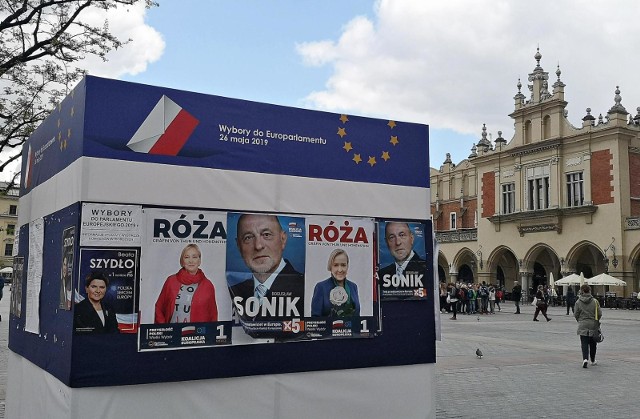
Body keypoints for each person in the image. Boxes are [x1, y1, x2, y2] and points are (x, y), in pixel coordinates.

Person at [230, 214, 304, 320]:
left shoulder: (306, 288)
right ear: (239, 246)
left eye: (266, 235)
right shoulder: (233, 292)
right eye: (248, 237)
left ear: (283, 239)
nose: (258, 246)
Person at [155, 243, 218, 323]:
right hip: (173, 333)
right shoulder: (171, 281)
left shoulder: (208, 286)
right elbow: (159, 308)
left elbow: (213, 315)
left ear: (199, 261)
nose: (191, 261)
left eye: (194, 257)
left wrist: (211, 333)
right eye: (187, 257)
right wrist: (164, 330)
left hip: (198, 334)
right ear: (182, 261)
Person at [311, 249, 360, 317]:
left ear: (347, 266)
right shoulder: (321, 287)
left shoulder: (353, 287)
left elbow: (357, 316)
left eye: (343, 265)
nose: (340, 270)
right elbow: (315, 320)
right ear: (330, 267)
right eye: (336, 265)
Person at [378, 222, 425, 293]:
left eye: (402, 235)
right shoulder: (381, 274)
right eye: (392, 237)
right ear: (386, 242)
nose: (398, 242)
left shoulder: (426, 270)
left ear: (411, 238)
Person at [574, 284, 601, 368]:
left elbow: (576, 314)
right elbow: (599, 313)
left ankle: (585, 359)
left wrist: (580, 320)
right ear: (590, 291)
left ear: (581, 291)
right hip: (593, 324)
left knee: (584, 343)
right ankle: (592, 360)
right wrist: (596, 320)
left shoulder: (578, 302)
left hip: (583, 323)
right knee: (593, 343)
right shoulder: (595, 301)